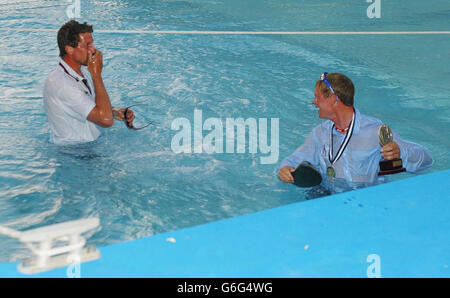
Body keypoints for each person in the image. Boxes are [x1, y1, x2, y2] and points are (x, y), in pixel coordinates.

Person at [277, 72, 433, 189]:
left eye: (318, 97)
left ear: (333, 99)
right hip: (329, 200)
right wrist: (284, 169)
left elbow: (426, 161)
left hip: (367, 203)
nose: (314, 102)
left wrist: (401, 153)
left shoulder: (374, 131)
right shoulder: (320, 134)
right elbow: (292, 161)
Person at [43, 20, 135, 145]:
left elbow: (87, 106)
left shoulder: (78, 72)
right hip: (74, 152)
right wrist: (97, 75)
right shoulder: (62, 84)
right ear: (69, 49)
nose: (93, 49)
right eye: (88, 45)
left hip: (85, 147)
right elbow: (106, 120)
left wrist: (113, 111)